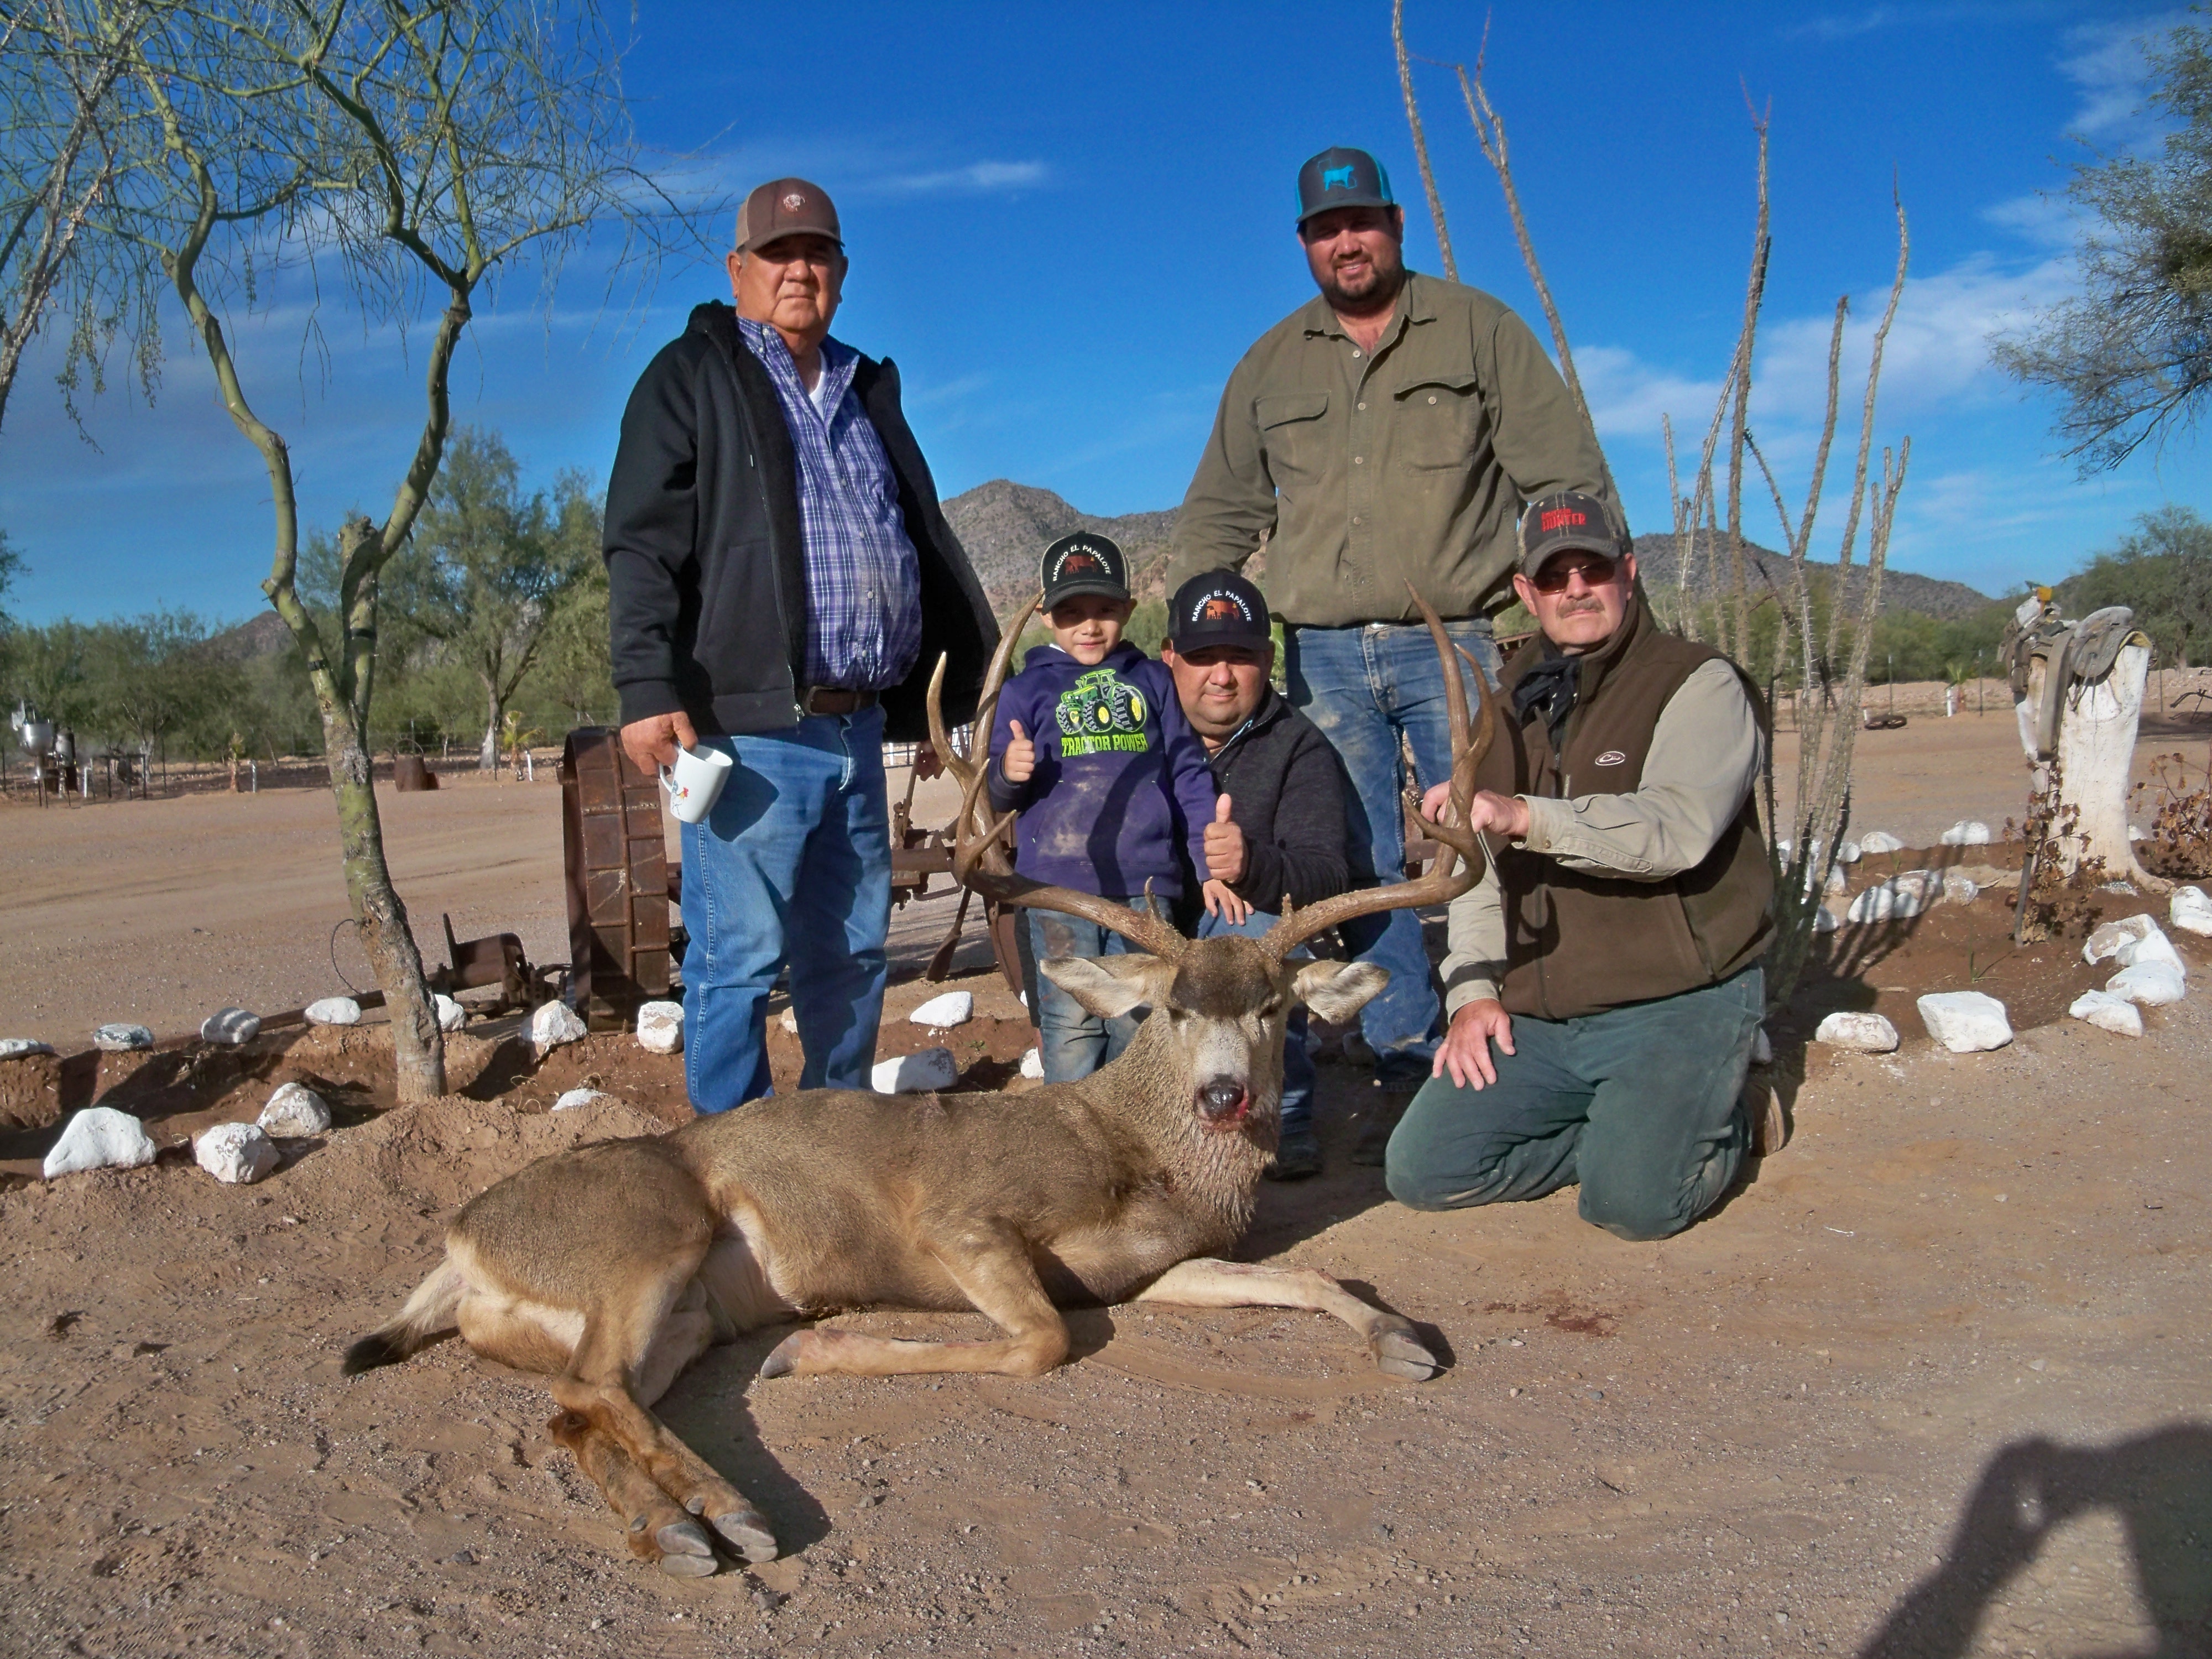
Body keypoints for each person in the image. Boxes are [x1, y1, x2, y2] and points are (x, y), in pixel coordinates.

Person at [1165, 144, 1618, 1162]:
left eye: (1362, 222)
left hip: (1450, 639)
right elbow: (1219, 517)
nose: (1347, 241)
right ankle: (1400, 1058)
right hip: (1318, 652)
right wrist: (1187, 650)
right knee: (1354, 867)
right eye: (1327, 229)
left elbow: (1563, 476)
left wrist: (1577, 599)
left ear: (1395, 225)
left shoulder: (1479, 330)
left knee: (1479, 838)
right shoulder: (1271, 363)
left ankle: (1515, 1024)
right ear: (1305, 245)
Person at [603, 176, 996, 1114]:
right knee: (737, 961)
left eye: (817, 253)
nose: (799, 270)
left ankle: (836, 1153)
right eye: (778, 255)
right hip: (749, 734)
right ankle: (734, 1176)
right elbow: (641, 538)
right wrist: (644, 679)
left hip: (858, 732)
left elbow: (919, 537)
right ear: (738, 270)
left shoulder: (864, 388)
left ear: (843, 272)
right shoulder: (692, 376)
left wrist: (972, 679)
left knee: (852, 955)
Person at [1384, 492, 1773, 1241]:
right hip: (1544, 1013)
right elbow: (1475, 873)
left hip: (1677, 998)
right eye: (1553, 577)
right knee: (1425, 1171)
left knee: (1632, 1208)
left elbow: (1674, 831)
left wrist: (1525, 815)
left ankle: (1729, 1118)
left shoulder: (1699, 683)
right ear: (1528, 594)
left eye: (1591, 569)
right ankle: (1631, 1134)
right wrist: (1472, 993)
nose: (1575, 590)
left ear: (1627, 573)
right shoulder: (1504, 707)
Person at [987, 533, 1229, 1083]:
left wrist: (1206, 862)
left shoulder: (1152, 681)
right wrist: (1008, 772)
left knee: (1142, 1023)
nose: (1089, 626)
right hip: (1055, 889)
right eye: (1072, 613)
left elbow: (1188, 771)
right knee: (1068, 1020)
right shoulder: (1023, 693)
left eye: (1104, 610)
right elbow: (998, 798)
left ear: (1129, 610)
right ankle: (1073, 1151)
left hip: (1144, 885)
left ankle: (1135, 1143)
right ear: (1047, 617)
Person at [1161, 569, 1353, 1179]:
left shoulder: (1299, 747)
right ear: (1169, 660)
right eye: (1202, 657)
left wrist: (1253, 866)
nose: (1221, 675)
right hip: (1160, 918)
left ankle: (1283, 1115)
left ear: (1267, 660)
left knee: (1255, 941)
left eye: (1239, 657)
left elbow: (1328, 874)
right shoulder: (1132, 735)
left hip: (1239, 924)